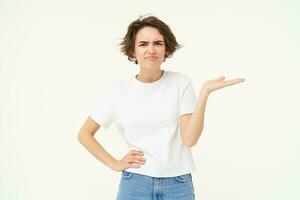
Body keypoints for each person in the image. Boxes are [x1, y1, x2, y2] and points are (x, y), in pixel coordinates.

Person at [77, 14, 245, 200]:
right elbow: (84, 134)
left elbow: (189, 140)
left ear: (166, 49)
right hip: (135, 183)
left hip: (178, 184)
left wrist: (204, 93)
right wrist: (114, 163)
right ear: (132, 51)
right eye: (143, 44)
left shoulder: (181, 82)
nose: (151, 50)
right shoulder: (119, 92)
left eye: (158, 43)